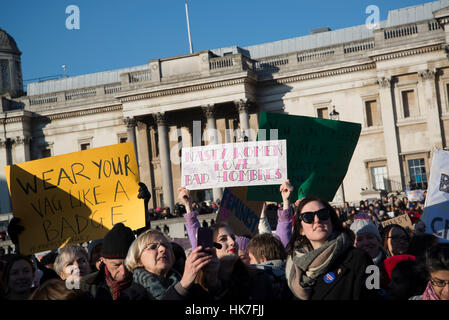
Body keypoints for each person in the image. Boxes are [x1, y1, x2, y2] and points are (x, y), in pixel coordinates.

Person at [180, 187, 275, 300]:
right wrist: (188, 207)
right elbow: (196, 241)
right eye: (223, 239)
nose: (232, 242)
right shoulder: (198, 288)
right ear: (210, 247)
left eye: (233, 237)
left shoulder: (258, 278)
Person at [286, 196, 378, 300]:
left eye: (323, 214)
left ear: (332, 221)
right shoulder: (293, 267)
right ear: (301, 230)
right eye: (308, 217)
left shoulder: (359, 258)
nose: (317, 220)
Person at [123, 229, 217, 300]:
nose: (162, 249)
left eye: (167, 245)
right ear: (138, 259)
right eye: (153, 247)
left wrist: (212, 279)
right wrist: (182, 287)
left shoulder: (192, 289)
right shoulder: (130, 296)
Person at [80, 223, 135, 300]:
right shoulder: (86, 285)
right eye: (116, 265)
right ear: (103, 259)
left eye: (128, 264)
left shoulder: (146, 283)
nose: (123, 272)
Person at [247, 233, 292, 300]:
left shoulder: (258, 280)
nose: (249, 262)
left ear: (263, 259)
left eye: (250, 258)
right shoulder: (292, 273)